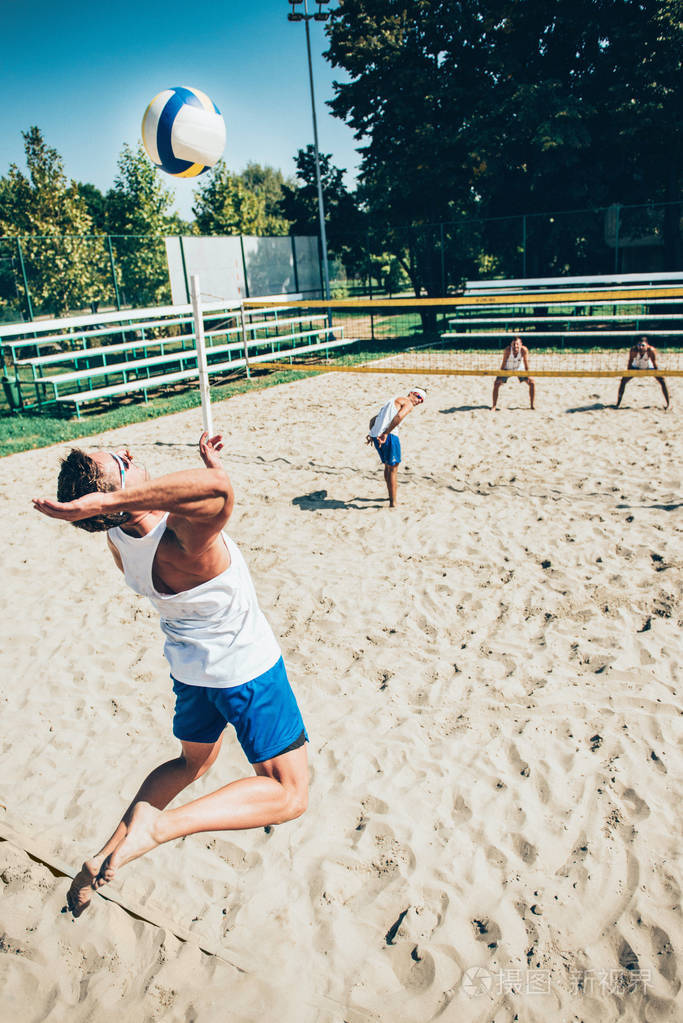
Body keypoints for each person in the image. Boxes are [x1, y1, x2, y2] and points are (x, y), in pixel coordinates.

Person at [32, 432, 308, 917]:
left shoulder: (119, 536)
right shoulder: (181, 537)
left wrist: (198, 470)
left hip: (191, 672)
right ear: (111, 497)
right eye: (120, 459)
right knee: (288, 792)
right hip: (244, 670)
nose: (131, 454)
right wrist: (120, 495)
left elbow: (196, 490)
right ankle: (160, 827)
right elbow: (219, 494)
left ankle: (101, 856)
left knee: (190, 765)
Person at [366, 387, 426, 507]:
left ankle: (390, 496)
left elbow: (374, 419)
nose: (419, 401)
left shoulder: (392, 401)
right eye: (419, 397)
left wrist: (372, 433)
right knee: (393, 469)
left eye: (422, 401)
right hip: (388, 436)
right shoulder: (407, 402)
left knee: (388, 467)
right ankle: (393, 502)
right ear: (411, 393)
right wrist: (386, 433)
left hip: (376, 435)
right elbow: (399, 417)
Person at [615, 335, 670, 409]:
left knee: (662, 380)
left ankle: (668, 404)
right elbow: (630, 362)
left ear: (647, 345)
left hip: (649, 367)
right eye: (639, 345)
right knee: (623, 381)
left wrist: (658, 374)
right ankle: (618, 403)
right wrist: (628, 373)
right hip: (636, 367)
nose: (640, 347)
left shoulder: (651, 351)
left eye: (642, 345)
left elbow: (654, 364)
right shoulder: (633, 350)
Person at [491, 336, 535, 411]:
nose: (515, 346)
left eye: (517, 344)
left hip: (519, 369)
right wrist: (500, 376)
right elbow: (503, 363)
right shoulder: (507, 350)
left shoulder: (524, 350)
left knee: (532, 383)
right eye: (514, 344)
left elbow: (526, 364)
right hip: (507, 369)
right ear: (511, 345)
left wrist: (528, 374)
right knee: (496, 383)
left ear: (521, 344)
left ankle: (532, 405)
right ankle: (494, 406)